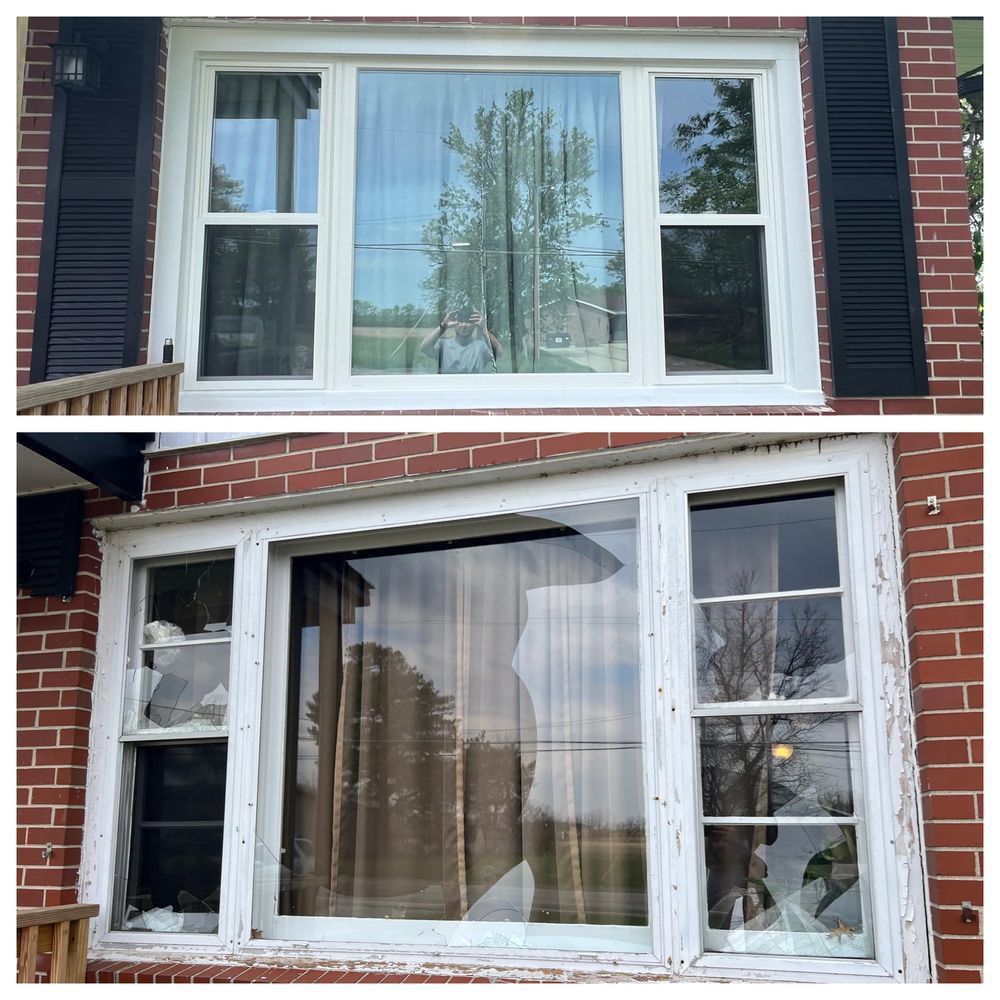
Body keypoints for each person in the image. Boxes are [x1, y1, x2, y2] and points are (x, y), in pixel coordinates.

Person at [421, 308, 502, 374]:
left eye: (468, 322)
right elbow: (424, 348)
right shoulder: (443, 345)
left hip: (475, 391)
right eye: (460, 322)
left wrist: (483, 329)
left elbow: (499, 352)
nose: (464, 325)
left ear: (474, 325)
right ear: (454, 324)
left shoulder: (481, 347)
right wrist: (443, 327)